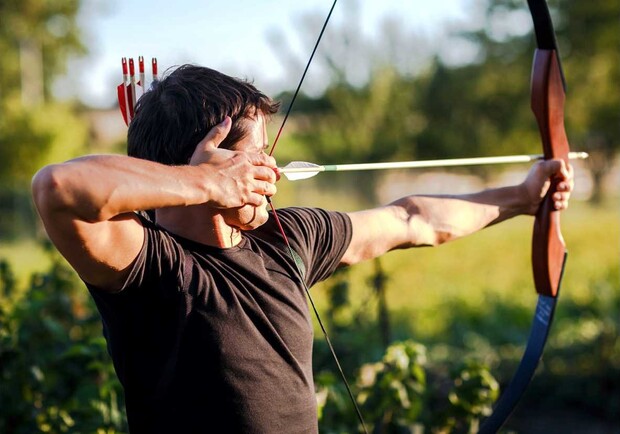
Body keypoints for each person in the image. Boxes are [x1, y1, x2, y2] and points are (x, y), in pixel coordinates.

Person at [31, 64, 573, 434]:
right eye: (256, 157)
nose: (272, 172)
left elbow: (414, 220)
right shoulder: (150, 266)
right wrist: (208, 186)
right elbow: (58, 188)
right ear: (210, 165)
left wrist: (523, 197)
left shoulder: (287, 238)